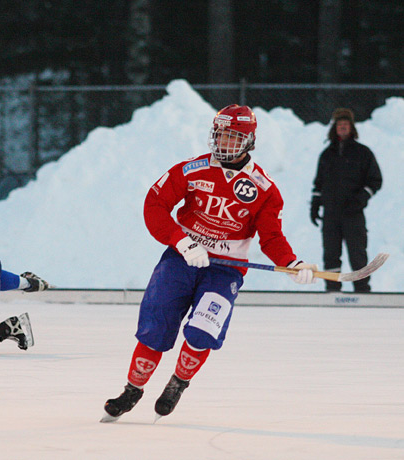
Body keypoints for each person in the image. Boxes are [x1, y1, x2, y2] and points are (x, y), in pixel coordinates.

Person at [102, 104, 318, 423]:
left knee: (203, 330)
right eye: (218, 135)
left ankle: (178, 382)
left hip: (225, 269)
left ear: (248, 141)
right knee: (155, 326)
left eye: (230, 138)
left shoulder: (266, 190)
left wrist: (292, 262)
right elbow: (155, 205)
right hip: (181, 259)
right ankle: (132, 389)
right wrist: (182, 240)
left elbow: (271, 237)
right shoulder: (191, 169)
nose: (221, 143)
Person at [310, 108, 382, 292]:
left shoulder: (363, 153)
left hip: (353, 214)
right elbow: (318, 184)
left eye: (345, 124)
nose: (342, 127)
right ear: (334, 128)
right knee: (331, 255)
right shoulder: (326, 155)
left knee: (358, 254)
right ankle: (332, 290)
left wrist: (361, 198)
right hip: (331, 214)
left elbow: (375, 180)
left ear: (351, 127)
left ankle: (362, 289)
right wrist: (315, 204)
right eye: (339, 124)